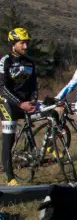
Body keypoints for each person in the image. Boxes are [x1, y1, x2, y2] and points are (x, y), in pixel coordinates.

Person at [0, 28, 37, 186]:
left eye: (27, 43)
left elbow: (34, 84)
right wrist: (20, 103)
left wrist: (34, 99)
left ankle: (50, 147)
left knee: (52, 115)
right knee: (9, 139)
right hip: (8, 103)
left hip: (26, 103)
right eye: (22, 43)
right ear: (13, 44)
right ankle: (10, 177)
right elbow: (2, 87)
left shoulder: (30, 61)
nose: (25, 46)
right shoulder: (5, 61)